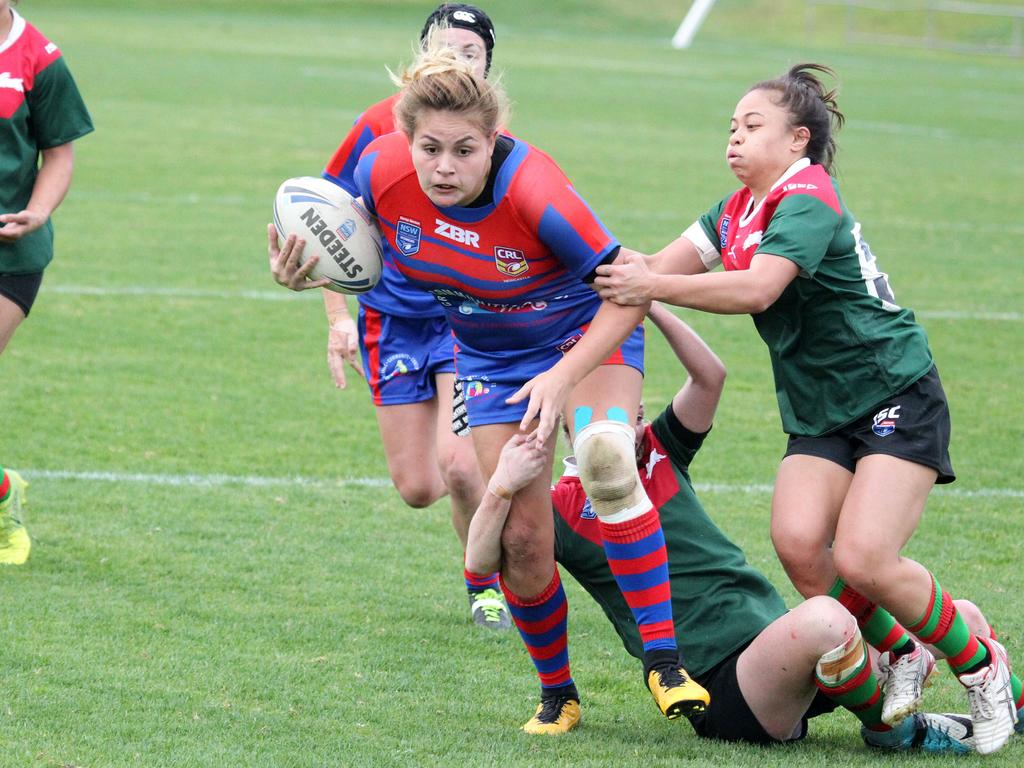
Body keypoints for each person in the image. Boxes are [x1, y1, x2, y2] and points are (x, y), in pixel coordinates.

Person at [270, 27, 710, 734]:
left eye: (464, 150)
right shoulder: (380, 172)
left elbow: (628, 293)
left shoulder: (536, 191)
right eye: (430, 149)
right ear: (404, 137)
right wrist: (302, 274)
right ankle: (558, 694)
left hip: (582, 337)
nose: (444, 167)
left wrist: (565, 377)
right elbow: (329, 241)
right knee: (521, 539)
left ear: (494, 137)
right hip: (489, 358)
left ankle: (664, 662)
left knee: (604, 460)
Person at [592, 63, 1021, 754]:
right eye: (730, 127)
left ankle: (983, 668)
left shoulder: (808, 196)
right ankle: (905, 654)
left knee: (864, 556)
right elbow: (645, 270)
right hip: (821, 410)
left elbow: (759, 289)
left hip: (892, 389)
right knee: (799, 545)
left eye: (751, 126)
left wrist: (650, 281)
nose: (734, 138)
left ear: (797, 140)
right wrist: (586, 270)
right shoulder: (730, 212)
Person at [467, 302, 1006, 752]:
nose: (631, 420)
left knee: (963, 618)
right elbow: (482, 561)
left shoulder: (659, 453)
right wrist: (504, 486)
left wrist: (647, 303)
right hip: (724, 687)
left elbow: (711, 376)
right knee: (827, 617)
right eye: (613, 415)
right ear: (575, 429)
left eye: (632, 410)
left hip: (787, 651)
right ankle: (897, 733)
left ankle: (1012, 705)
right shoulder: (559, 507)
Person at [307, 4, 507, 631]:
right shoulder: (377, 125)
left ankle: (488, 586)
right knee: (419, 486)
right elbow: (322, 217)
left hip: (461, 319)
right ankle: (511, 491)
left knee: (460, 465)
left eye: (469, 52)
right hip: (387, 322)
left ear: (488, 68)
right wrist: (338, 314)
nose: (453, 59)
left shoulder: (491, 141)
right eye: (442, 48)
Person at [0, 0, 93, 565]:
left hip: (10, 253)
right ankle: (2, 491)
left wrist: (37, 210)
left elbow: (59, 154)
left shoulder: (39, 57)